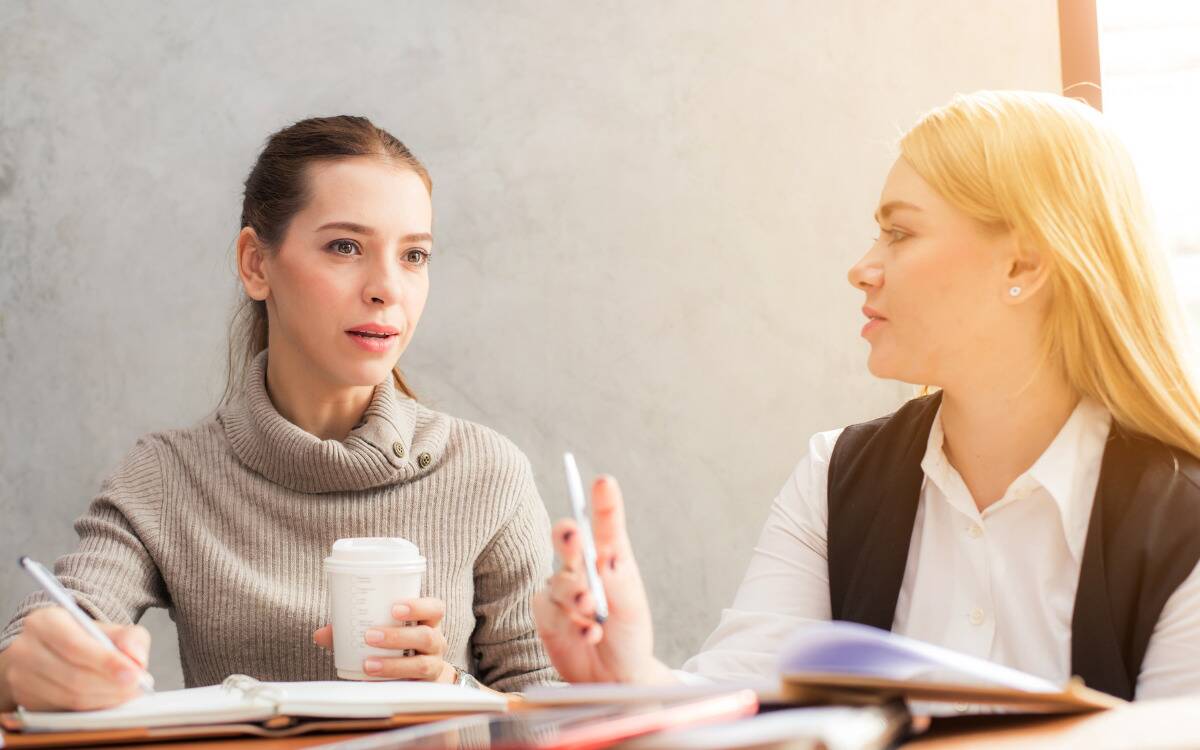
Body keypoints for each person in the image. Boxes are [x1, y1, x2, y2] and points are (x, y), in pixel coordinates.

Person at [533, 90, 1200, 701]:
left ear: (1023, 265)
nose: (861, 269)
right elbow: (744, 707)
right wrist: (632, 676)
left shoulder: (1181, 521)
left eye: (900, 232)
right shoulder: (835, 477)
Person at [0, 115, 557, 712]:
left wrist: (455, 692)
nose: (387, 288)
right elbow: (52, 628)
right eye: (346, 246)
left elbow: (556, 706)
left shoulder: (487, 472)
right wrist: (26, 670)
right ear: (255, 264)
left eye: (414, 255)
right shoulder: (167, 477)